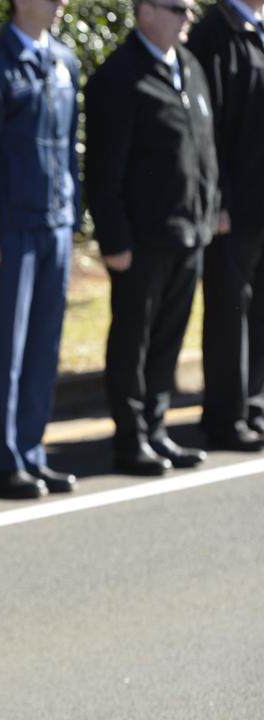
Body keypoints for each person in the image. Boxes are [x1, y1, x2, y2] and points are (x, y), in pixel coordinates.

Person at [85, 0, 216, 476]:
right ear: (145, 12)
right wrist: (114, 238)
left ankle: (156, 430)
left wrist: (209, 208)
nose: (189, 17)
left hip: (188, 231)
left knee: (167, 340)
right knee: (133, 343)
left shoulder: (189, 67)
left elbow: (204, 148)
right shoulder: (119, 77)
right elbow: (102, 171)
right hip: (141, 240)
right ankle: (131, 439)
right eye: (177, 8)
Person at [0, 0, 81, 499]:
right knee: (6, 348)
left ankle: (32, 450)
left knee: (43, 345)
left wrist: (72, 219)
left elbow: (70, 148)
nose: (62, 4)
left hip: (55, 225)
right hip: (10, 231)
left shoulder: (65, 62)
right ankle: (2, 460)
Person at [187, 0, 264, 450]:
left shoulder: (255, 28)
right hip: (233, 208)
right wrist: (218, 200)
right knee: (229, 311)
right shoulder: (214, 32)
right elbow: (206, 127)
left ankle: (253, 403)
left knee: (259, 312)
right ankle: (225, 415)